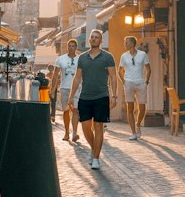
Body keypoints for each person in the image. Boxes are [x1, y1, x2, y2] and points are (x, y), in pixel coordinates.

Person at [70, 29, 117, 170]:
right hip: (85, 97)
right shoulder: (82, 58)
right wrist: (71, 96)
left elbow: (113, 77)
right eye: (92, 37)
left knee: (98, 127)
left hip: (102, 96)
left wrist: (114, 95)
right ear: (89, 40)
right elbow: (77, 77)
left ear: (101, 41)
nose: (94, 39)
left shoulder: (108, 57)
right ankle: (94, 149)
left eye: (97, 37)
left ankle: (96, 158)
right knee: (85, 127)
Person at [118, 34, 151, 140]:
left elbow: (148, 68)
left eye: (126, 43)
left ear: (132, 44)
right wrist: (124, 81)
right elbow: (119, 70)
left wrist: (146, 81)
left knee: (142, 107)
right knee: (130, 108)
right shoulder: (124, 56)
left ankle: (138, 124)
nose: (125, 45)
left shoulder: (142, 54)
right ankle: (133, 133)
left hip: (141, 83)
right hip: (128, 83)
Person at [50, 39, 81, 143]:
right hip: (64, 88)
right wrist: (53, 89)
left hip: (77, 88)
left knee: (75, 110)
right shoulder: (60, 59)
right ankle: (67, 132)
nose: (71, 47)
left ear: (76, 48)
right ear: (67, 47)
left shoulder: (80, 59)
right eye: (69, 46)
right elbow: (55, 75)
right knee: (66, 111)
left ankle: (75, 133)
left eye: (73, 46)